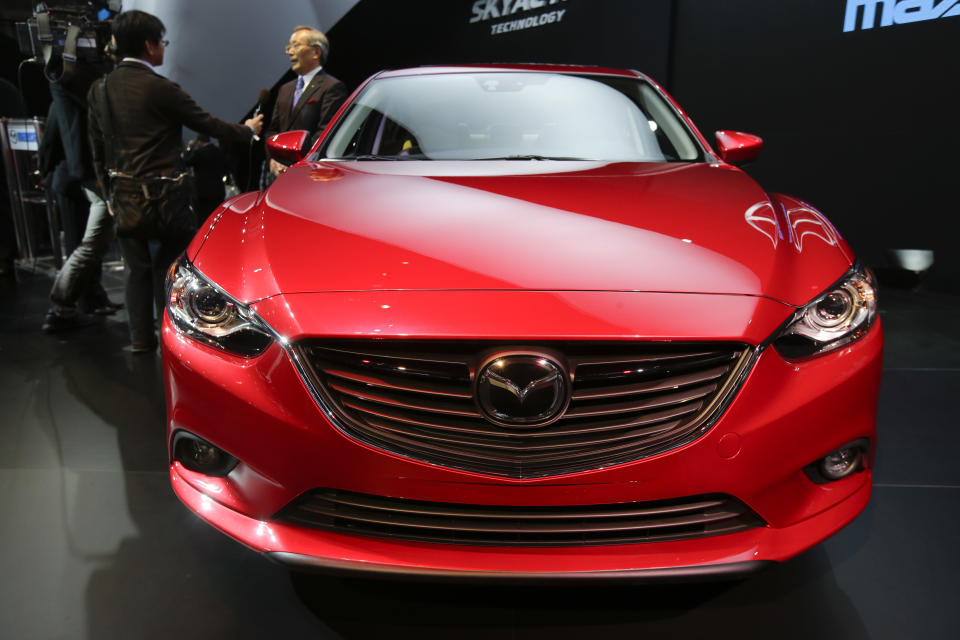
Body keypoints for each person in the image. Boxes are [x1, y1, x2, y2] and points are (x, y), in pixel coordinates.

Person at [87, 10, 263, 353]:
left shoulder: (100, 89)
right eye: (162, 42)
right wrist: (247, 131)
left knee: (135, 270)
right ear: (150, 45)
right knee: (169, 268)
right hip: (166, 196)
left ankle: (140, 338)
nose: (163, 49)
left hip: (123, 195)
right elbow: (207, 124)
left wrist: (107, 193)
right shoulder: (161, 88)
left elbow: (97, 148)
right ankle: (172, 337)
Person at [40, 65, 122, 333]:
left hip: (80, 181)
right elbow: (53, 145)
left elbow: (51, 145)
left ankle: (87, 300)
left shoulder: (69, 105)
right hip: (78, 182)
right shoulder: (78, 107)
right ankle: (69, 303)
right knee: (86, 244)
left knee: (90, 244)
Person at [265, 25, 347, 178]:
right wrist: (273, 159)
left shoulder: (332, 87)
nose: (290, 52)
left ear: (316, 52)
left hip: (309, 173)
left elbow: (325, 132)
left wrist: (295, 163)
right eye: (289, 47)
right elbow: (272, 130)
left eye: (296, 46)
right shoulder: (285, 89)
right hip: (278, 175)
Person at [182, 133, 227, 225]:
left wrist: (189, 148)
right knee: (218, 214)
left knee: (204, 218)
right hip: (218, 188)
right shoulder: (218, 151)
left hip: (203, 190)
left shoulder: (199, 153)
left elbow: (186, 161)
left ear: (199, 142)